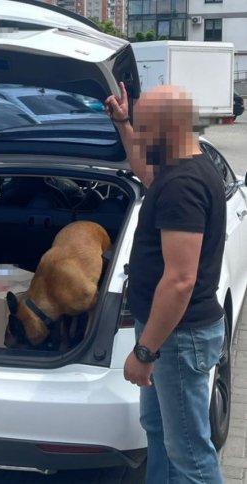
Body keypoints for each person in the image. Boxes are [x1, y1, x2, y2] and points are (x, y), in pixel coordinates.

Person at [105, 82, 226, 484]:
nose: (141, 135)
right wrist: (123, 123)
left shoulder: (183, 186)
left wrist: (144, 350)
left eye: (145, 127)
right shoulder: (181, 164)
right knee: (159, 432)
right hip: (170, 336)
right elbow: (145, 173)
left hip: (177, 338)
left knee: (190, 455)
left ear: (169, 129)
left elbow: (179, 281)